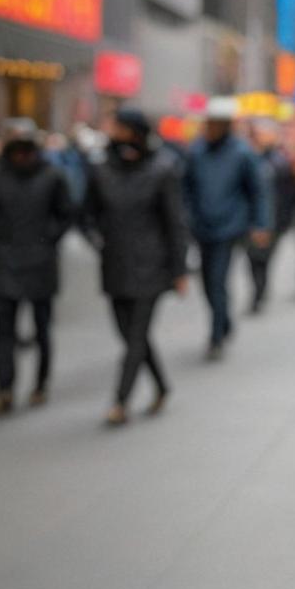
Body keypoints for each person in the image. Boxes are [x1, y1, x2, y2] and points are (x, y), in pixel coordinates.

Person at [84, 109, 188, 425]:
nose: (116, 134)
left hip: (151, 266)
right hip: (114, 262)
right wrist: (97, 240)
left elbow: (175, 223)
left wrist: (179, 269)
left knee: (137, 333)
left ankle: (120, 401)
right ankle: (161, 385)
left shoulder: (162, 169)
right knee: (130, 335)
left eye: (122, 128)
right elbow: (86, 214)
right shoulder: (101, 170)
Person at [0, 119, 73, 415]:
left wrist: (48, 241)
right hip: (4, 263)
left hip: (40, 263)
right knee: (4, 330)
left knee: (42, 329)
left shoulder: (52, 176)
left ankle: (40, 384)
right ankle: (4, 388)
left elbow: (66, 214)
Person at [182, 98, 270, 360]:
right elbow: (186, 187)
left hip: (228, 227)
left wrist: (261, 224)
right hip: (201, 227)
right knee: (207, 282)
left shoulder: (242, 153)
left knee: (218, 279)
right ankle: (224, 320)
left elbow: (258, 191)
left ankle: (216, 335)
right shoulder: (196, 152)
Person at [245, 119, 295, 312]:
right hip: (255, 220)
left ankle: (260, 291)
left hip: (276, 219)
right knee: (254, 258)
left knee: (264, 258)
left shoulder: (280, 163)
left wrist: (285, 220)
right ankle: (258, 291)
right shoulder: (251, 159)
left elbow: (290, 194)